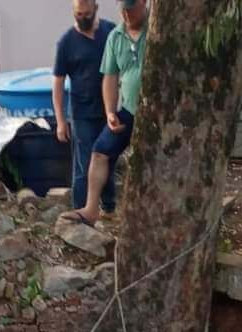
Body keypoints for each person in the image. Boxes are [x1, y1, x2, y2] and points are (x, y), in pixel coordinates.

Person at [61, 0, 148, 228]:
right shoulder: (115, 36)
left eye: (131, 9)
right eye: (123, 10)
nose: (126, 15)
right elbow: (110, 77)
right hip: (129, 111)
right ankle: (91, 209)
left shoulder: (157, 31)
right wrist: (110, 111)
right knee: (99, 151)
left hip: (156, 114)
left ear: (143, 3)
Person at [53, 1, 116, 217]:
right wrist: (60, 120)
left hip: (109, 110)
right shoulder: (66, 42)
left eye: (86, 14)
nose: (82, 18)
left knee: (107, 158)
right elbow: (58, 83)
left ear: (95, 9)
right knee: (85, 163)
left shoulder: (110, 32)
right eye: (78, 14)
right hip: (82, 113)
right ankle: (80, 209)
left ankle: (109, 206)